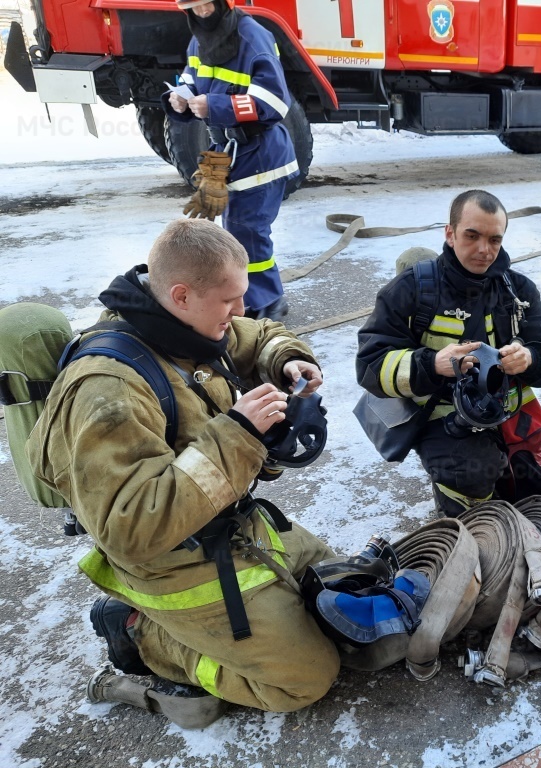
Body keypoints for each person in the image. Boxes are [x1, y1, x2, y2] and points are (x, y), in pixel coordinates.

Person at [27, 219, 340, 713]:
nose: (239, 309)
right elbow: (131, 526)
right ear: (180, 294)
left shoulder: (181, 323)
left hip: (226, 526)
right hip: (170, 563)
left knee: (342, 596)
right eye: (228, 299)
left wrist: (286, 359)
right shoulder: (108, 391)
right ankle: (142, 633)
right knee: (305, 679)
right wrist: (239, 434)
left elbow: (255, 334)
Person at [356, 190, 541, 515]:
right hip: (442, 413)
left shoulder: (517, 291)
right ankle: (459, 505)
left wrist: (531, 358)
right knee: (472, 474)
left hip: (505, 409)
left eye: (494, 239)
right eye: (472, 236)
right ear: (450, 233)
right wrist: (432, 364)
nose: (484, 250)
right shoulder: (411, 290)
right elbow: (370, 365)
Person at [164, 0, 296, 321]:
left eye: (208, 5)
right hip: (222, 152)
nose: (204, 13)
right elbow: (193, 78)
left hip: (260, 154)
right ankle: (241, 291)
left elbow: (276, 102)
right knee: (222, 227)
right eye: (195, 8)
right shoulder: (199, 40)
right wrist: (180, 97)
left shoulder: (253, 37)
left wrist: (216, 106)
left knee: (246, 231)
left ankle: (267, 302)